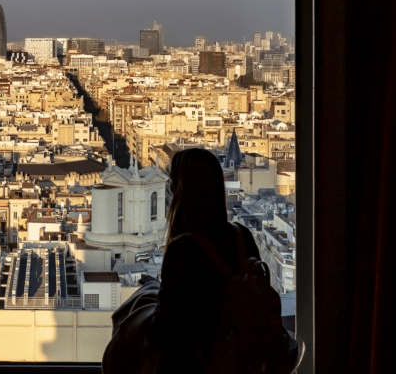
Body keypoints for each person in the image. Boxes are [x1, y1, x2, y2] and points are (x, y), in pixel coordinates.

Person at [103, 148, 297, 374]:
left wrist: (147, 296)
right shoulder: (241, 236)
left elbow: (162, 332)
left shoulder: (182, 249)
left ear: (181, 191)